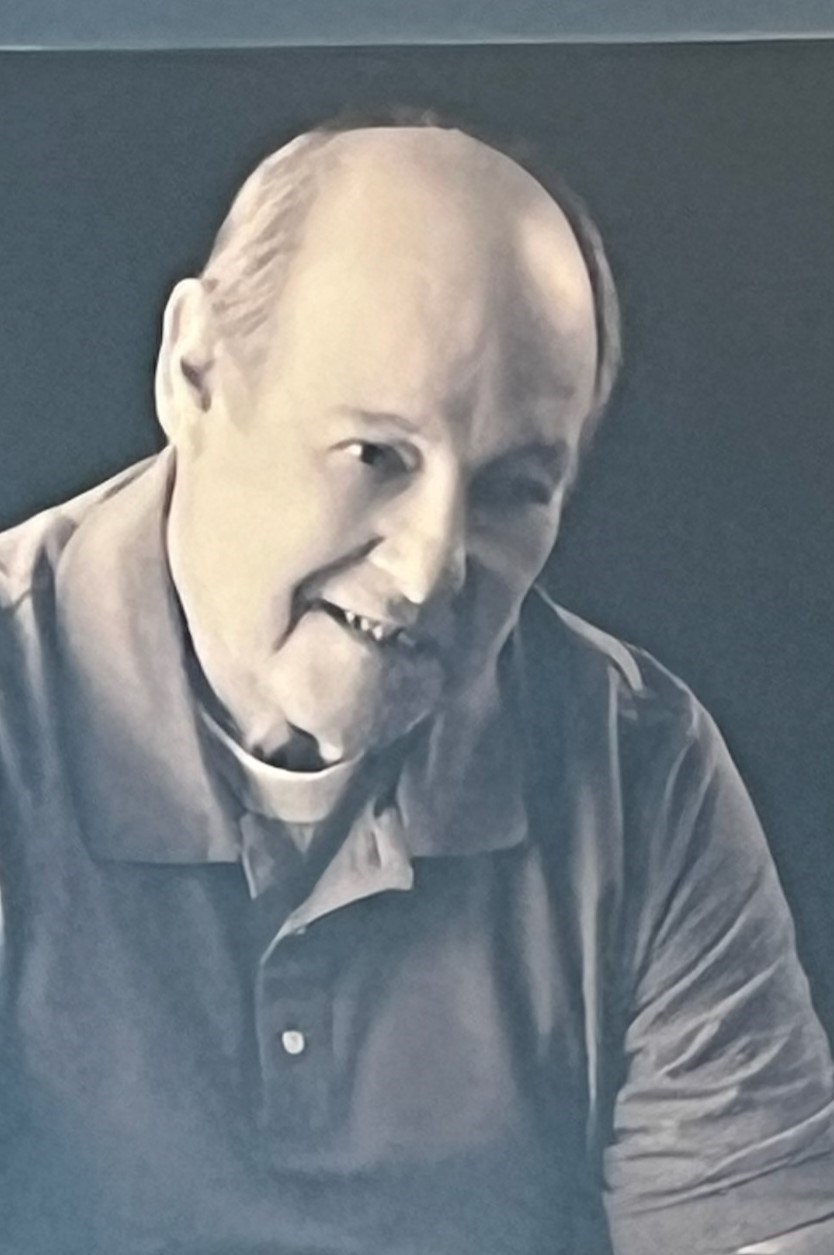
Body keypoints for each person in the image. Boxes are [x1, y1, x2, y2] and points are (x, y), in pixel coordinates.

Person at [0, 114, 832, 1255]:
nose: (432, 565)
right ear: (195, 373)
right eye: (376, 456)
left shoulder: (639, 770)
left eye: (513, 488)